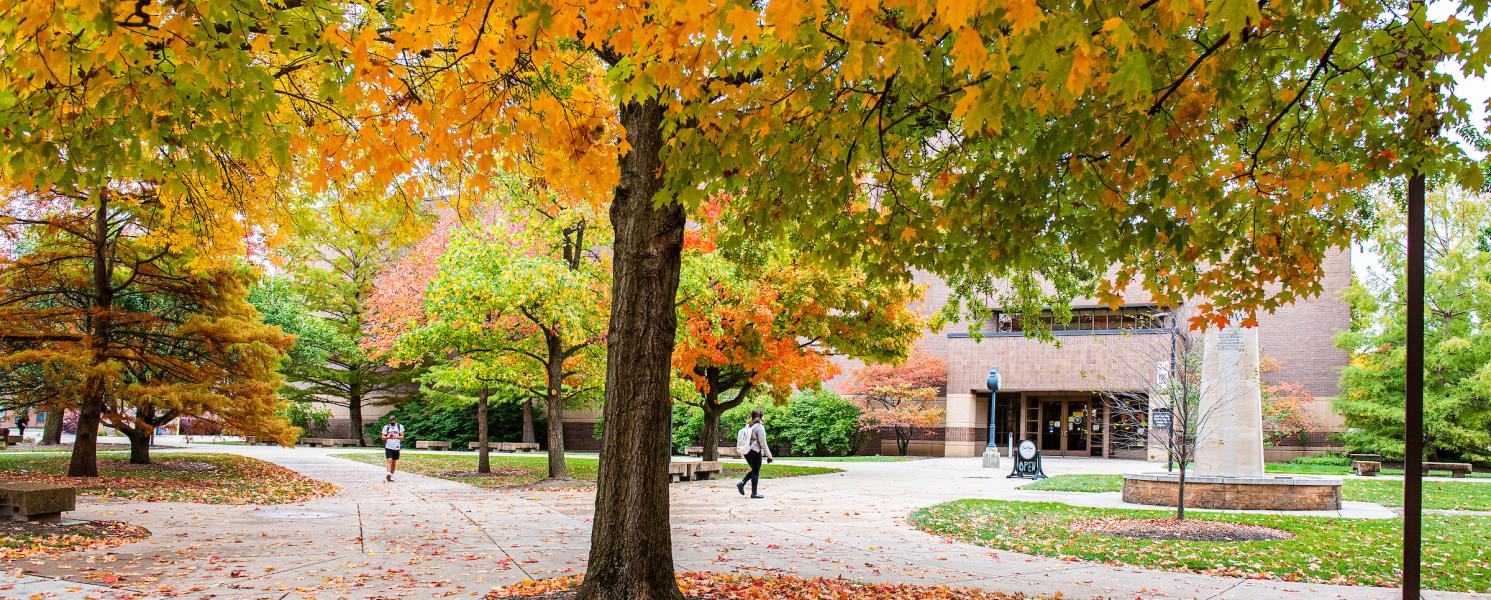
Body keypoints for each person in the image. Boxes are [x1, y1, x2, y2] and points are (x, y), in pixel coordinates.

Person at [735, 408, 773, 499]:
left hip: (746, 451)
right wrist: (769, 455)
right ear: (761, 416)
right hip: (755, 451)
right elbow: (763, 443)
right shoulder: (759, 427)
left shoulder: (748, 426)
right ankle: (754, 493)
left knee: (754, 470)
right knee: (755, 471)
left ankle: (742, 483)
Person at [380, 416, 405, 482]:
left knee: (394, 461)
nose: (392, 422)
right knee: (389, 460)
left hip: (397, 446)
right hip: (388, 446)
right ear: (389, 421)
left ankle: (391, 475)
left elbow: (402, 436)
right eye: (390, 421)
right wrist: (388, 437)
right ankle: (388, 473)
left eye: (393, 421)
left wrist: (396, 437)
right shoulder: (386, 427)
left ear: (395, 420)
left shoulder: (400, 426)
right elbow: (382, 437)